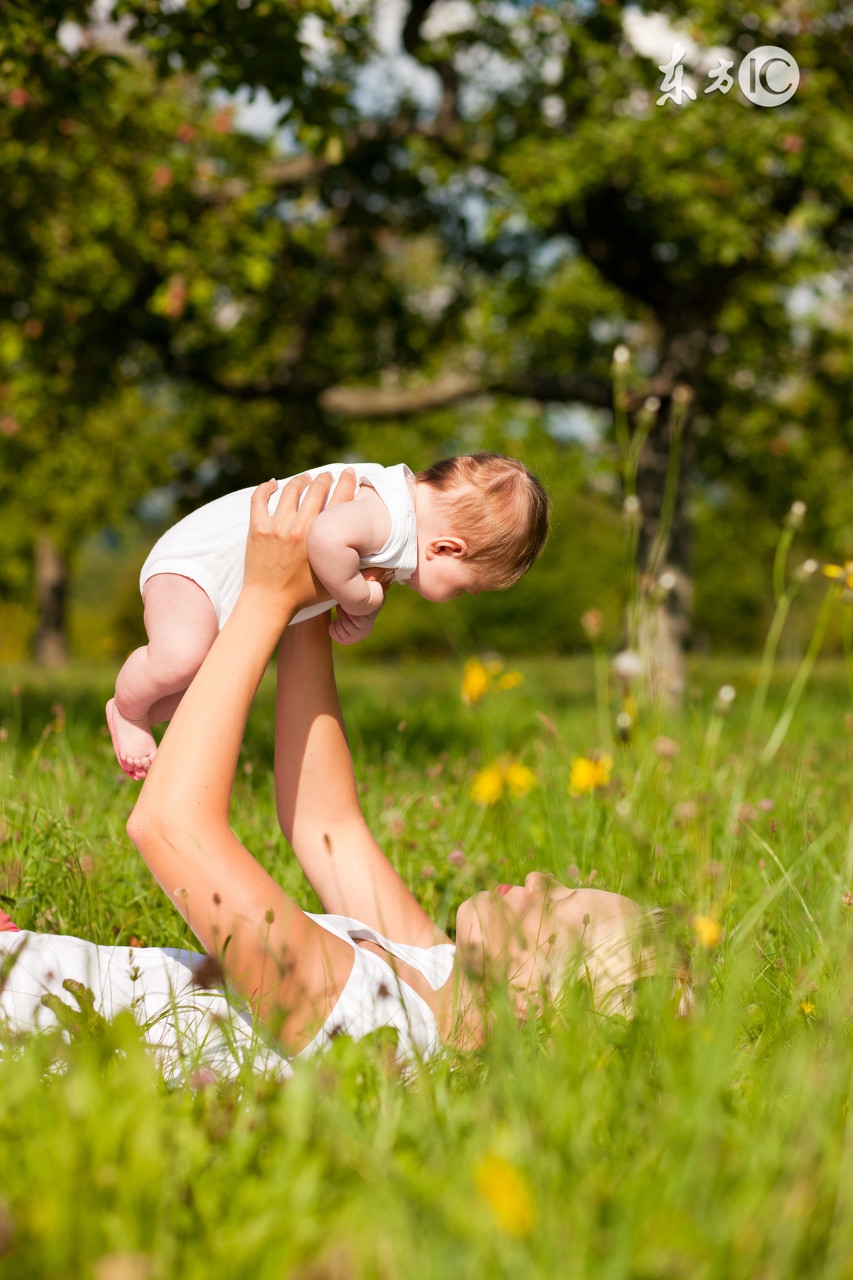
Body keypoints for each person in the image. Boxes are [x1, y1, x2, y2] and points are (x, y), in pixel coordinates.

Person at [0, 472, 680, 1083]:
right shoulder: (437, 973)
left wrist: (264, 599)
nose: (540, 880)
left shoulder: (383, 1030)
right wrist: (308, 608)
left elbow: (171, 828)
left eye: (555, 907)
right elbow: (328, 825)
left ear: (530, 998)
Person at [106, 453, 550, 779]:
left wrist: (359, 607)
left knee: (204, 687)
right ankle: (128, 709)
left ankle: (137, 707)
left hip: (228, 580)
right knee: (180, 658)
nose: (462, 595)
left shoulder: (398, 509)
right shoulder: (392, 519)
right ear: (447, 549)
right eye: (468, 586)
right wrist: (359, 598)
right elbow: (325, 536)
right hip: (199, 564)